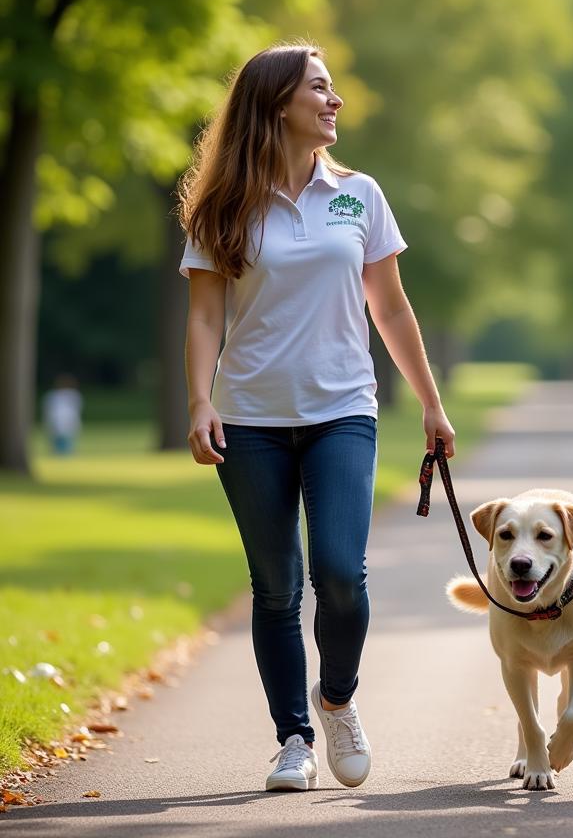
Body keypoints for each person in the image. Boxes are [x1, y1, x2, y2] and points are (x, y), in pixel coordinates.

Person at [178, 43, 456, 793]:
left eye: (332, 91)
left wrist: (431, 403)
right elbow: (206, 316)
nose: (334, 102)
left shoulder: (358, 194)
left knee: (340, 572)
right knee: (275, 587)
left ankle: (335, 699)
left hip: (342, 410)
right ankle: (293, 740)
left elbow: (390, 307)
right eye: (320, 90)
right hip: (250, 420)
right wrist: (200, 399)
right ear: (276, 106)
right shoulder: (224, 207)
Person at [42, 374, 83, 456]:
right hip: (56, 419)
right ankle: (59, 453)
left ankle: (65, 453)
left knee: (67, 437)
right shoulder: (52, 395)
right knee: (57, 437)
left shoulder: (73, 395)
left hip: (68, 419)